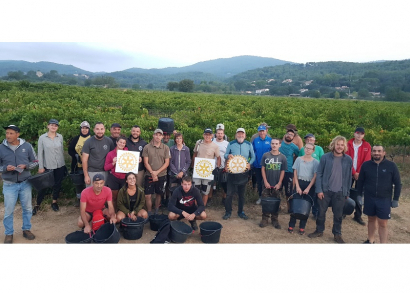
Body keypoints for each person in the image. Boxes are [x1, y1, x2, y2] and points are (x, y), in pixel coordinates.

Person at [308, 136, 352, 243]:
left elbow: (349, 177)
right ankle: (319, 230)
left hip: (340, 191)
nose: (339, 147)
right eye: (338, 144)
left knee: (338, 215)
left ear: (344, 146)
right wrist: (319, 190)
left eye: (342, 145)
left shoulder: (348, 159)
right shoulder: (325, 157)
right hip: (325, 190)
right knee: (321, 212)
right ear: (333, 145)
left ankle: (337, 234)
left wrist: (347, 191)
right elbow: (319, 174)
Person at [1, 125, 38, 243]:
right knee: (9, 210)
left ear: (18, 134)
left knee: (27, 208)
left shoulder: (27, 146)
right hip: (9, 184)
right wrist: (6, 168)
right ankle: (9, 233)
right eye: (7, 133)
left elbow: (36, 161)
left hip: (25, 183)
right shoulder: (1, 148)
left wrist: (26, 166)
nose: (8, 136)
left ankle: (26, 229)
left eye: (11, 133)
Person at [356, 145, 401, 243]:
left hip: (384, 198)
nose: (377, 153)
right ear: (371, 153)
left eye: (379, 151)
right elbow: (360, 182)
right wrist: (359, 195)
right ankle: (370, 240)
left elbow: (398, 183)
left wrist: (396, 199)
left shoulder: (391, 166)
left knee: (383, 223)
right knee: (371, 219)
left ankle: (383, 244)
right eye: (374, 151)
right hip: (369, 198)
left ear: (384, 153)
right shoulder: (366, 165)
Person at [33, 119, 66, 214]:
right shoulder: (42, 138)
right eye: (52, 125)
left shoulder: (60, 137)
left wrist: (63, 164)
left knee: (57, 184)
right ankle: (38, 204)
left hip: (59, 164)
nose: (53, 127)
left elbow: (62, 150)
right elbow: (40, 153)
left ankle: (54, 202)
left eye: (55, 125)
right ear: (48, 126)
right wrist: (41, 166)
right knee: (44, 185)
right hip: (48, 165)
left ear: (57, 127)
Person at [223, 128, 255, 220]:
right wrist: (228, 156)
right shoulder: (231, 144)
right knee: (229, 194)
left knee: (242, 195)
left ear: (245, 135)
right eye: (239, 134)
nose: (240, 136)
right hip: (232, 173)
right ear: (236, 135)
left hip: (243, 173)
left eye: (242, 134)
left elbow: (253, 157)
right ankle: (228, 212)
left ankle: (241, 212)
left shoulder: (249, 144)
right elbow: (225, 155)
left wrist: (249, 164)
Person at [289, 143, 319, 235]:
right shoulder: (298, 159)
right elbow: (295, 172)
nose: (307, 150)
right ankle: (291, 225)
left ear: (313, 151)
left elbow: (315, 176)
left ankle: (302, 226)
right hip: (299, 182)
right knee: (295, 204)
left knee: (306, 206)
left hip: (309, 185)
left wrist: (308, 188)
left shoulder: (315, 162)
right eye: (306, 148)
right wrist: (297, 186)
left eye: (310, 149)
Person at [346, 127, 371, 226]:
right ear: (354, 134)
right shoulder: (348, 144)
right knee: (346, 191)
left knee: (359, 194)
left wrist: (358, 173)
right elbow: (347, 159)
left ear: (364, 135)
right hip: (348, 172)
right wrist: (353, 172)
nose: (359, 135)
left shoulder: (367, 145)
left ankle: (358, 215)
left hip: (361, 174)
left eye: (361, 134)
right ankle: (344, 211)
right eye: (357, 133)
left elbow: (367, 160)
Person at [142, 128, 170, 215]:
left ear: (162, 137)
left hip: (161, 175)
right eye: (156, 135)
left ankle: (156, 210)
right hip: (149, 174)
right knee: (148, 195)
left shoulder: (166, 148)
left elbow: (167, 163)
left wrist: (156, 173)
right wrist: (152, 173)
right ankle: (150, 212)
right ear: (153, 135)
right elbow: (146, 162)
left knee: (159, 194)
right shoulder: (147, 147)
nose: (158, 136)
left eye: (160, 135)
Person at [259, 138, 286, 229]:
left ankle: (275, 219)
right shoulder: (266, 155)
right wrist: (265, 181)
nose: (274, 145)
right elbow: (262, 169)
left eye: (276, 143)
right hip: (266, 183)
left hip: (277, 184)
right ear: (270, 144)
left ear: (279, 145)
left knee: (276, 202)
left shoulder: (282, 157)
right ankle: (265, 219)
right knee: (265, 202)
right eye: (272, 143)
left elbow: (283, 171)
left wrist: (279, 183)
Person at [191, 128, 221, 206]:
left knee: (206, 191)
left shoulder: (215, 146)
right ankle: (194, 207)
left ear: (212, 136)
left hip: (208, 172)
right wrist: (192, 166)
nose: (207, 136)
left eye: (209, 135)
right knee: (195, 190)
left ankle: (202, 208)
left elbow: (218, 158)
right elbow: (194, 154)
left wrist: (217, 168)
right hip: (197, 170)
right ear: (203, 135)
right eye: (206, 134)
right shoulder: (198, 143)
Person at [298, 133, 324, 218]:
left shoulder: (319, 149)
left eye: (311, 139)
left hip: (316, 175)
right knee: (305, 193)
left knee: (315, 194)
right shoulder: (303, 149)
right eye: (307, 139)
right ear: (305, 141)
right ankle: (302, 209)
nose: (309, 140)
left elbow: (322, 161)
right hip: (304, 176)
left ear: (314, 140)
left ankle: (315, 212)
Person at [82, 122, 115, 187]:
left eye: (101, 129)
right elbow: (84, 160)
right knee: (91, 193)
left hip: (105, 172)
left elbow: (113, 156)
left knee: (103, 193)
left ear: (104, 130)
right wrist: (86, 175)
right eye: (97, 129)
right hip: (92, 172)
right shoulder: (88, 142)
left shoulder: (109, 141)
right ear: (94, 130)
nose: (100, 131)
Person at [68, 121, 91, 207]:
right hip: (77, 166)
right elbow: (70, 150)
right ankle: (79, 200)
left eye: (86, 128)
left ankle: (88, 200)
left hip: (89, 165)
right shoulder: (76, 139)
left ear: (89, 129)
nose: (84, 130)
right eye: (83, 128)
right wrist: (76, 156)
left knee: (88, 183)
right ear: (80, 129)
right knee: (79, 184)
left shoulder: (91, 138)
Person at [104, 136, 128, 211]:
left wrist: (138, 159)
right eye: (120, 142)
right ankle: (113, 213)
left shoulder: (128, 153)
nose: (122, 144)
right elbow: (105, 168)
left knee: (124, 197)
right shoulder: (110, 154)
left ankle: (122, 213)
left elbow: (132, 163)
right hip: (114, 177)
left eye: (124, 143)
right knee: (114, 197)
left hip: (124, 178)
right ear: (116, 142)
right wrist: (113, 163)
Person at [279, 129, 300, 212]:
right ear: (285, 135)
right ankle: (278, 206)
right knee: (278, 190)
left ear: (293, 137)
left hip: (289, 171)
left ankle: (289, 208)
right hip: (278, 170)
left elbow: (298, 156)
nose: (289, 135)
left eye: (291, 135)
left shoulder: (294, 147)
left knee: (289, 191)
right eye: (288, 134)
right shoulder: (279, 144)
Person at [252, 124, 272, 205]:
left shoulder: (270, 140)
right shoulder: (255, 140)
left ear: (266, 131)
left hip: (268, 166)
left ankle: (268, 197)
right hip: (258, 165)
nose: (261, 132)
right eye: (260, 131)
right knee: (259, 182)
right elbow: (252, 152)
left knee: (268, 181)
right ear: (258, 132)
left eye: (263, 131)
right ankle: (260, 197)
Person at [210, 126, 229, 205]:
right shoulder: (211, 141)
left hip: (223, 167)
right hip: (212, 166)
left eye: (221, 133)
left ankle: (224, 199)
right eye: (218, 133)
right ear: (216, 134)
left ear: (223, 134)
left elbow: (228, 156)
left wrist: (227, 166)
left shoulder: (227, 144)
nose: (220, 135)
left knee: (224, 184)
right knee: (210, 184)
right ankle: (209, 199)